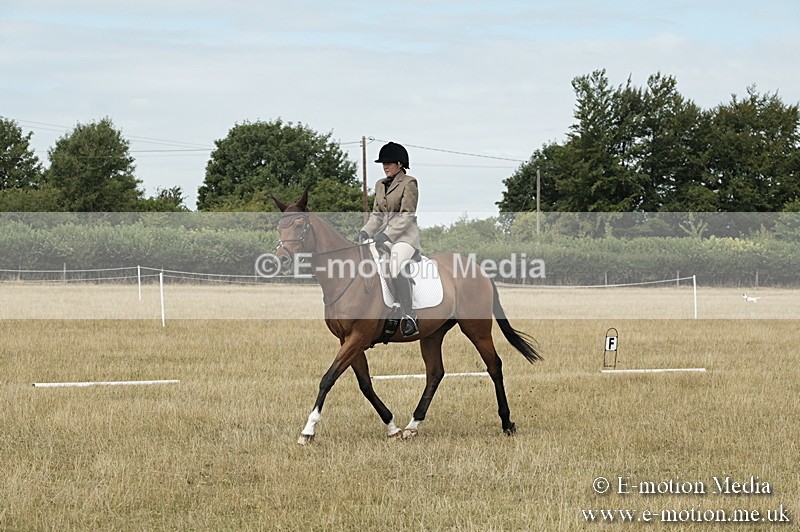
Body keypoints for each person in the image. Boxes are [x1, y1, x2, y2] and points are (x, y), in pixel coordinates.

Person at [354, 141, 421, 336]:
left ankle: (408, 315)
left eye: (389, 163)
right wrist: (365, 231)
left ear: (400, 164)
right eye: (383, 163)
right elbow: (376, 215)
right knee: (367, 263)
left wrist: (387, 234)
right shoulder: (380, 185)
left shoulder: (409, 183)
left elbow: (407, 215)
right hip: (382, 236)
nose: (385, 167)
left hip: (405, 237)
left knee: (394, 265)